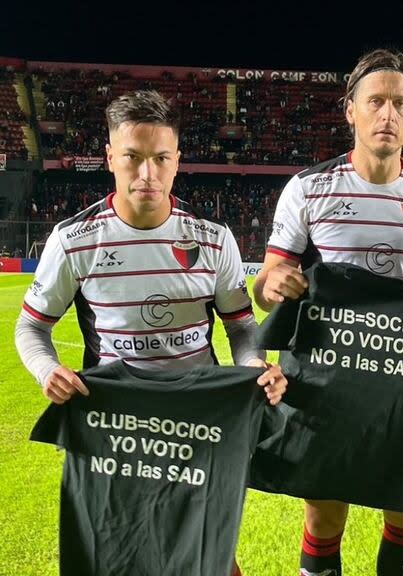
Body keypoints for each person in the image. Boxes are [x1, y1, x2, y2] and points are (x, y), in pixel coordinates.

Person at [14, 90, 287, 576]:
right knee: (121, 555)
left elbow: (243, 328)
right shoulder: (74, 240)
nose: (147, 174)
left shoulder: (212, 238)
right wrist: (46, 369)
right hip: (116, 425)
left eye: (160, 158)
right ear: (109, 159)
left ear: (177, 160)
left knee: (209, 552)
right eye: (132, 158)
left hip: (197, 421)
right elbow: (32, 327)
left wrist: (251, 366)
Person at [253, 48, 403, 576]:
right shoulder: (309, 189)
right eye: (376, 101)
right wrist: (275, 282)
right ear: (351, 110)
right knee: (324, 513)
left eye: (400, 104)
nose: (387, 114)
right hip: (323, 381)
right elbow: (264, 283)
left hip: (402, 387)